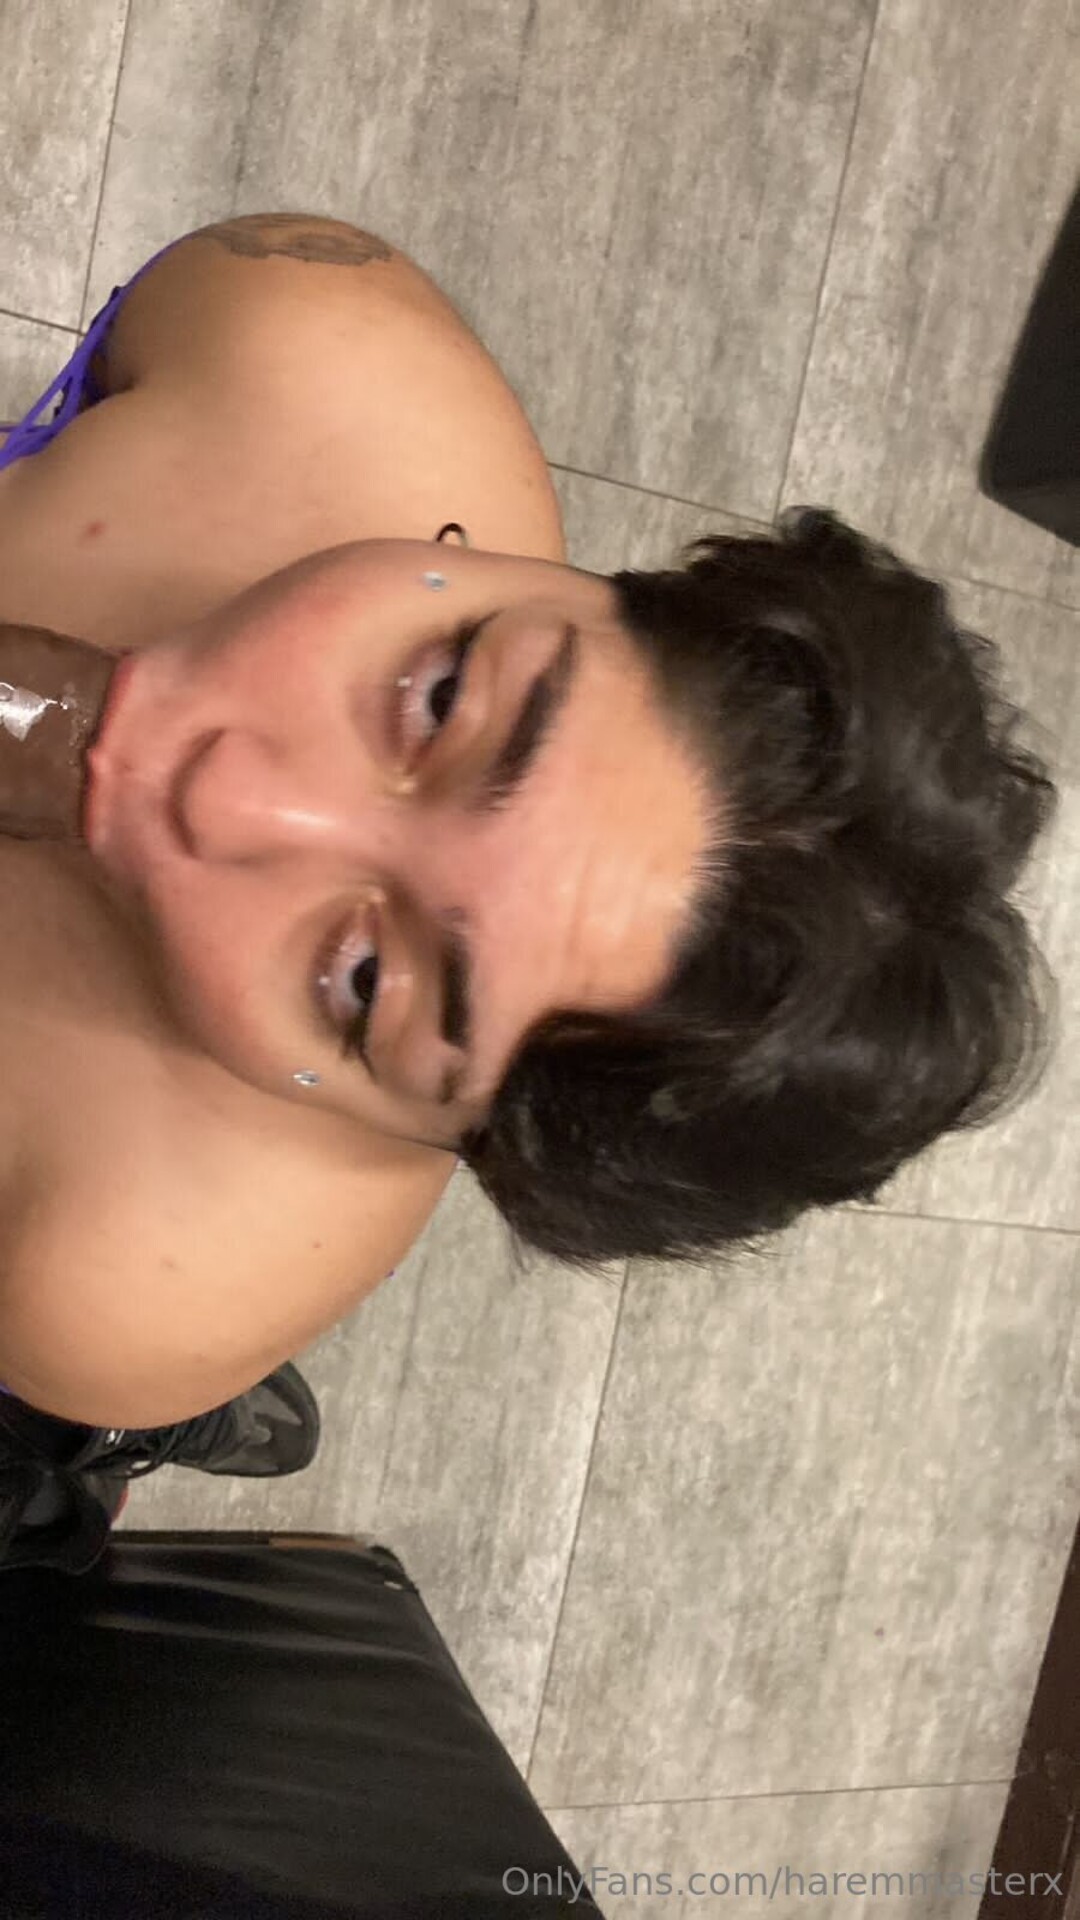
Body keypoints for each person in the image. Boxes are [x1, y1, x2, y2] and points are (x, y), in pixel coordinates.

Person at [0, 213, 1056, 1570]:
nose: (229, 795)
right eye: (445, 696)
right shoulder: (305, 331)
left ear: (410, 1132)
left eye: (366, 985)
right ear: (544, 573)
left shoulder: (115, 1282)